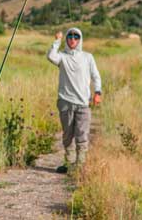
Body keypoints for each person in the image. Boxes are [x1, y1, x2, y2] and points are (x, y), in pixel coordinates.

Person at [47, 27, 102, 174]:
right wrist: (57, 40)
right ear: (66, 39)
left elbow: (96, 76)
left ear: (80, 39)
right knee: (67, 135)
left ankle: (80, 166)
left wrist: (98, 92)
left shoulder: (87, 57)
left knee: (82, 134)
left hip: (83, 103)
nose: (72, 39)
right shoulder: (61, 57)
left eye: (76, 36)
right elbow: (51, 56)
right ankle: (69, 163)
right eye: (70, 36)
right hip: (65, 101)